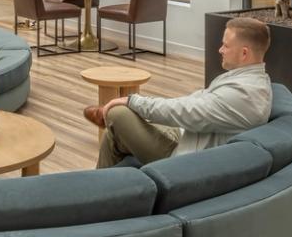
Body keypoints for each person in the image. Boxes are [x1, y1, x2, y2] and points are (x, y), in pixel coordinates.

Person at [87, 16, 273, 168]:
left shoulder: (244, 94)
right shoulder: (245, 80)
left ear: (244, 53)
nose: (220, 50)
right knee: (113, 133)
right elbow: (193, 104)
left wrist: (132, 101)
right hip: (187, 135)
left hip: (183, 159)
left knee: (117, 113)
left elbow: (186, 111)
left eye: (226, 45)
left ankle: (107, 116)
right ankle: (99, 192)